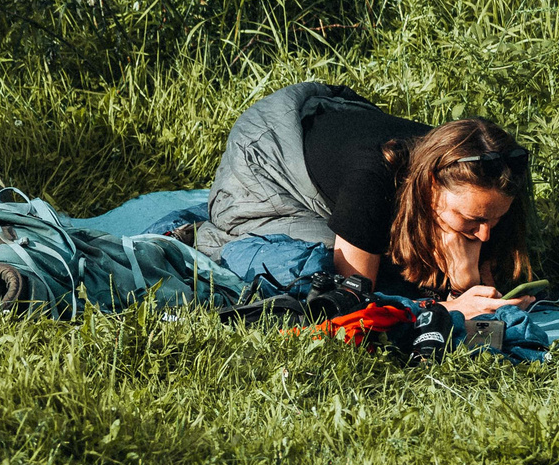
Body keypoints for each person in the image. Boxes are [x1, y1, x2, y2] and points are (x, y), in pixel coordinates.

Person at [192, 81, 533, 316]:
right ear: (431, 185)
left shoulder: (478, 174)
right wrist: (449, 307)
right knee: (320, 268)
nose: (485, 234)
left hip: (337, 128)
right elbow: (354, 299)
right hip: (266, 158)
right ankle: (199, 234)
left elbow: (483, 294)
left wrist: (466, 282)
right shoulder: (372, 180)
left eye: (495, 219)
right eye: (474, 220)